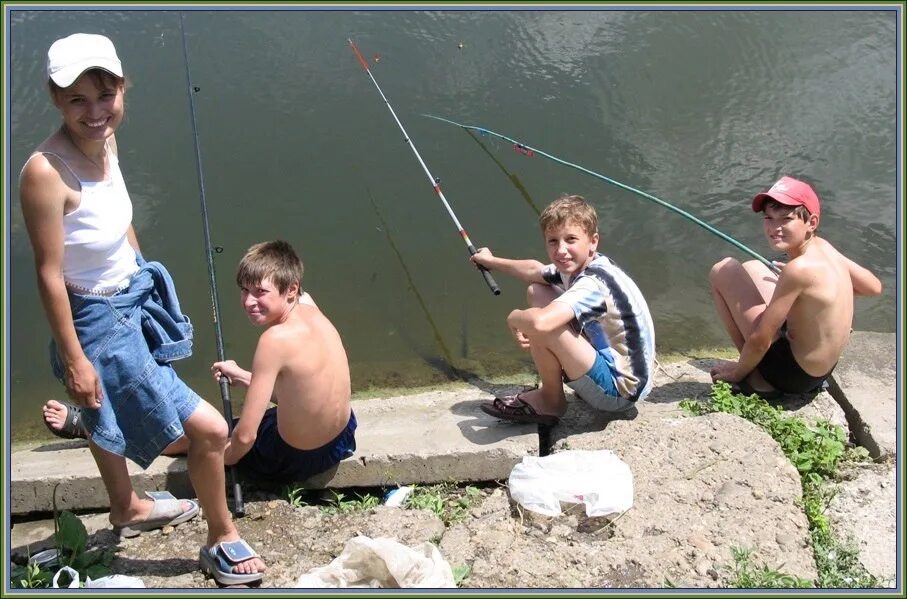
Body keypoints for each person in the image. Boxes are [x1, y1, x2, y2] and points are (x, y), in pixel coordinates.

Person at [21, 33, 264, 585]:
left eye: (104, 94)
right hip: (95, 326)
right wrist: (77, 358)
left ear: (122, 89)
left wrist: (142, 275)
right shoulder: (45, 172)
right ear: (55, 98)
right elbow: (48, 274)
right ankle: (221, 536)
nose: (94, 111)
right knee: (207, 431)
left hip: (129, 302)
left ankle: (127, 505)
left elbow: (120, 220)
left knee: (100, 408)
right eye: (77, 99)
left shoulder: (105, 142)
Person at [470, 194, 656, 424]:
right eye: (553, 241)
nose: (561, 250)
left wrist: (513, 318)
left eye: (571, 239)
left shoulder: (592, 283)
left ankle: (551, 402)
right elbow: (534, 270)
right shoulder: (584, 265)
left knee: (544, 325)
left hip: (619, 393)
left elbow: (540, 324)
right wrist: (490, 261)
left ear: (593, 241)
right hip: (626, 374)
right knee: (537, 291)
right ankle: (566, 381)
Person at [708, 176, 882, 397]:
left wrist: (736, 373)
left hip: (790, 376)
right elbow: (873, 287)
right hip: (819, 372)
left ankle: (756, 376)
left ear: (812, 222)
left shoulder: (798, 270)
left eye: (786, 219)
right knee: (753, 266)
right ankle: (762, 365)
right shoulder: (824, 248)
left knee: (724, 270)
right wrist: (819, 296)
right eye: (769, 218)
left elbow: (762, 339)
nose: (774, 227)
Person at [209, 241, 357, 485]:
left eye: (260, 292)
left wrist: (223, 458)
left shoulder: (273, 340)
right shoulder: (309, 305)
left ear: (291, 289)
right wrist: (246, 378)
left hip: (295, 458)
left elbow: (245, 438)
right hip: (342, 438)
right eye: (244, 290)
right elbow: (302, 390)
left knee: (206, 435)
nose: (248, 302)